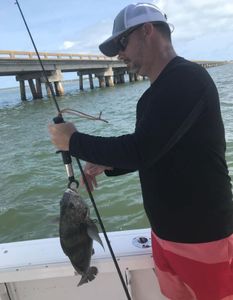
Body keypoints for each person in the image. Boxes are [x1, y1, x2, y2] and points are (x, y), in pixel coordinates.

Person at [48, 3, 233, 300]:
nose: (119, 54)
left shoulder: (188, 78)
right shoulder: (149, 98)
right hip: (164, 235)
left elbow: (140, 149)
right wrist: (106, 164)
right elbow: (153, 152)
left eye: (121, 43)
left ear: (147, 31)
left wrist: (73, 141)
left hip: (203, 235)